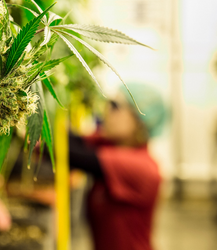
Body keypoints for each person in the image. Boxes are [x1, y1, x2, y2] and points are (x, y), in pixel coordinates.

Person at [69, 83, 167, 250]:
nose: (106, 110)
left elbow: (73, 154)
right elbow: (74, 140)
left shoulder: (142, 167)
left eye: (115, 106)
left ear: (139, 119)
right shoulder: (111, 143)